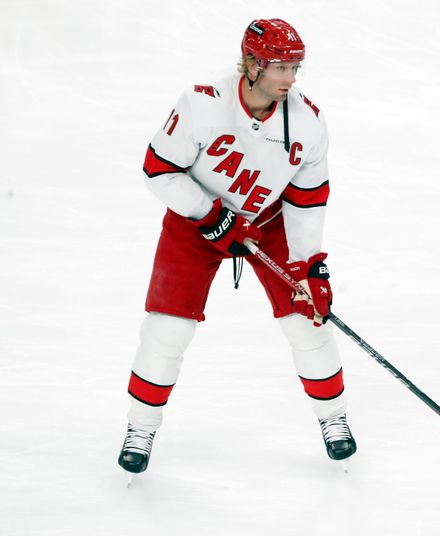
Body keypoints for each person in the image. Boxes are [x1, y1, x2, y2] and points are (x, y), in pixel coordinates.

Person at [118, 18, 356, 475]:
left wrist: (310, 266)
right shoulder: (201, 103)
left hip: (268, 223)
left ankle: (335, 419)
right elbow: (158, 168)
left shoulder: (308, 123)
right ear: (251, 63)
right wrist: (210, 215)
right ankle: (141, 426)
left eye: (295, 68)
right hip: (194, 222)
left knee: (308, 322)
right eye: (280, 67)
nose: (290, 79)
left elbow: (308, 200)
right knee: (167, 329)